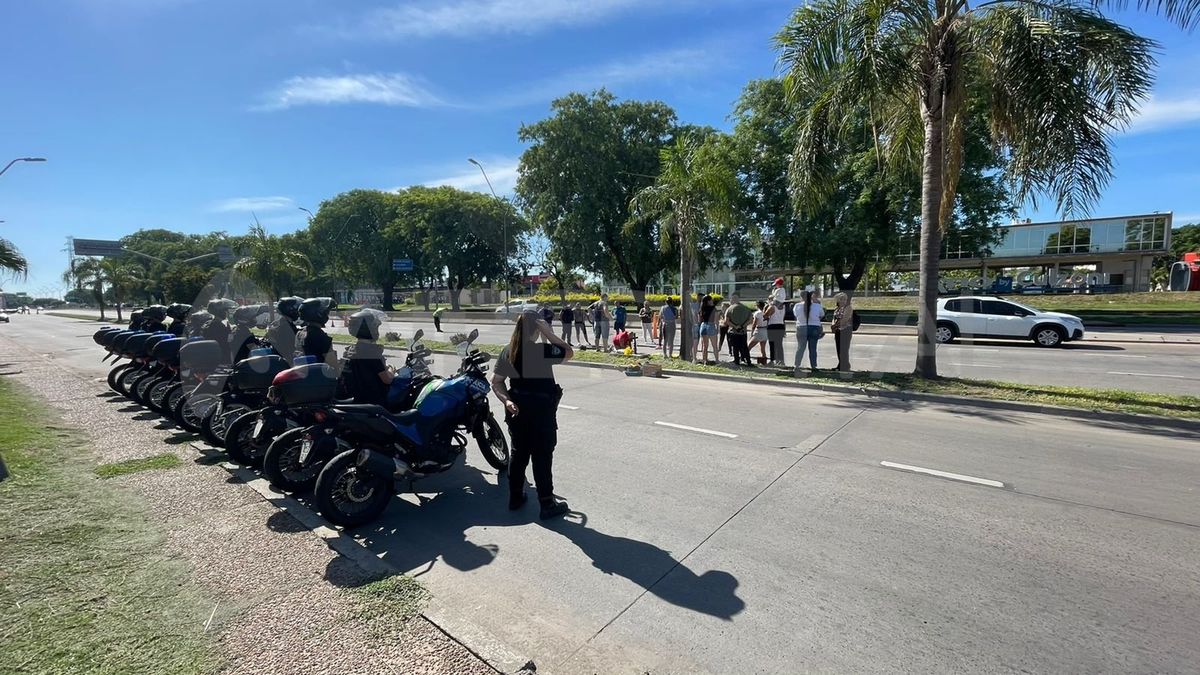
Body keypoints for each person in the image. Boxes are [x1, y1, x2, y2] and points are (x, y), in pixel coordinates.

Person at [490, 311, 573, 520]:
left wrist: (507, 401)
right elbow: (569, 352)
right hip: (541, 413)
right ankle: (547, 504)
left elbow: (496, 381)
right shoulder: (542, 350)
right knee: (542, 457)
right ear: (536, 329)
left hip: (517, 411)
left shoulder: (509, 351)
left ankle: (515, 497)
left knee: (519, 455)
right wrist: (549, 332)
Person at [343, 308, 393, 405]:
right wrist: (392, 370)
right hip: (373, 401)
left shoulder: (350, 350)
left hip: (357, 397)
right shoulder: (371, 352)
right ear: (370, 329)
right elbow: (387, 380)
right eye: (375, 327)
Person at [295, 297, 337, 367]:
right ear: (319, 314)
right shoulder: (321, 337)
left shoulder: (299, 333)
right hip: (319, 375)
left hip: (304, 373)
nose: (327, 315)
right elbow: (333, 364)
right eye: (326, 312)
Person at [794, 290, 825, 372]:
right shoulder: (817, 306)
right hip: (814, 327)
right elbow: (821, 315)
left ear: (801, 297)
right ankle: (813, 366)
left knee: (800, 348)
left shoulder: (797, 306)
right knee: (813, 348)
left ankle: (797, 365)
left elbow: (796, 315)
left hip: (801, 327)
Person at [265, 297, 302, 365]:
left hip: (278, 363)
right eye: (295, 308)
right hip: (289, 364)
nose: (297, 311)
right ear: (289, 309)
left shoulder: (275, 325)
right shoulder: (287, 329)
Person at [202, 298, 238, 364]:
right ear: (219, 311)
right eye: (225, 310)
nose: (226, 313)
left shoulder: (209, 323)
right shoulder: (218, 326)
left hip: (212, 356)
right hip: (221, 359)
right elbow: (227, 342)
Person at [724, 298, 754, 366]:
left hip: (734, 332)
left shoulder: (729, 309)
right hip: (743, 332)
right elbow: (751, 320)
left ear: (733, 301)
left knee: (735, 347)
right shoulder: (746, 308)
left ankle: (736, 361)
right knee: (744, 347)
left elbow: (726, 321)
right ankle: (748, 361)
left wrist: (735, 326)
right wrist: (743, 326)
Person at [831, 292, 854, 372]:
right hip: (838, 331)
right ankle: (840, 364)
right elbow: (833, 319)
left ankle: (845, 366)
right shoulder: (836, 309)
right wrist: (833, 325)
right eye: (841, 299)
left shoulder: (848, 308)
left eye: (844, 299)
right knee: (839, 349)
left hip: (846, 330)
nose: (843, 301)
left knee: (844, 349)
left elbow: (845, 319)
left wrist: (836, 325)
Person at [766, 278, 787, 365]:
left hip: (772, 325)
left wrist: (769, 304)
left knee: (772, 344)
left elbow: (766, 315)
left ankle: (772, 360)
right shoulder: (783, 306)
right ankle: (781, 360)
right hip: (780, 325)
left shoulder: (772, 306)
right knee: (779, 344)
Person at [696, 294, 719, 364]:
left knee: (705, 346)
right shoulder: (714, 308)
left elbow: (699, 320)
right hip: (711, 325)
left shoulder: (701, 309)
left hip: (703, 326)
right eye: (711, 299)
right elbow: (716, 320)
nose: (712, 301)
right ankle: (717, 360)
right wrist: (717, 328)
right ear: (709, 301)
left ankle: (705, 360)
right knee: (714, 345)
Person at [747, 300, 769, 365]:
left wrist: (752, 332)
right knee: (762, 348)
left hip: (759, 330)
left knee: (748, 346)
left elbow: (754, 324)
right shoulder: (767, 312)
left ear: (758, 306)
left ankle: (745, 358)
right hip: (765, 330)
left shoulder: (757, 313)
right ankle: (764, 361)